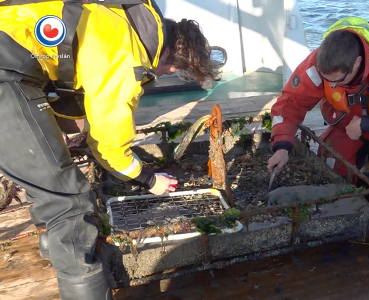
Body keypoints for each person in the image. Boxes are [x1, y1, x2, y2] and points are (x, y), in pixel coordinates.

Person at [0, 1, 217, 299]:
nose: (166, 74)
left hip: (15, 62)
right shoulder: (125, 56)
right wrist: (149, 180)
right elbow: (108, 146)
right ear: (170, 56)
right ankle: (82, 280)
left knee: (49, 169)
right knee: (71, 200)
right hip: (6, 74)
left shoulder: (119, 20)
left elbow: (67, 73)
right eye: (173, 70)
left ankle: (54, 248)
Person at [267, 16, 369, 181]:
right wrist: (282, 147)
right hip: (347, 127)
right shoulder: (319, 62)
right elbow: (291, 102)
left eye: (338, 81)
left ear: (357, 63)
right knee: (331, 167)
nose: (331, 85)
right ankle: (367, 148)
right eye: (326, 80)